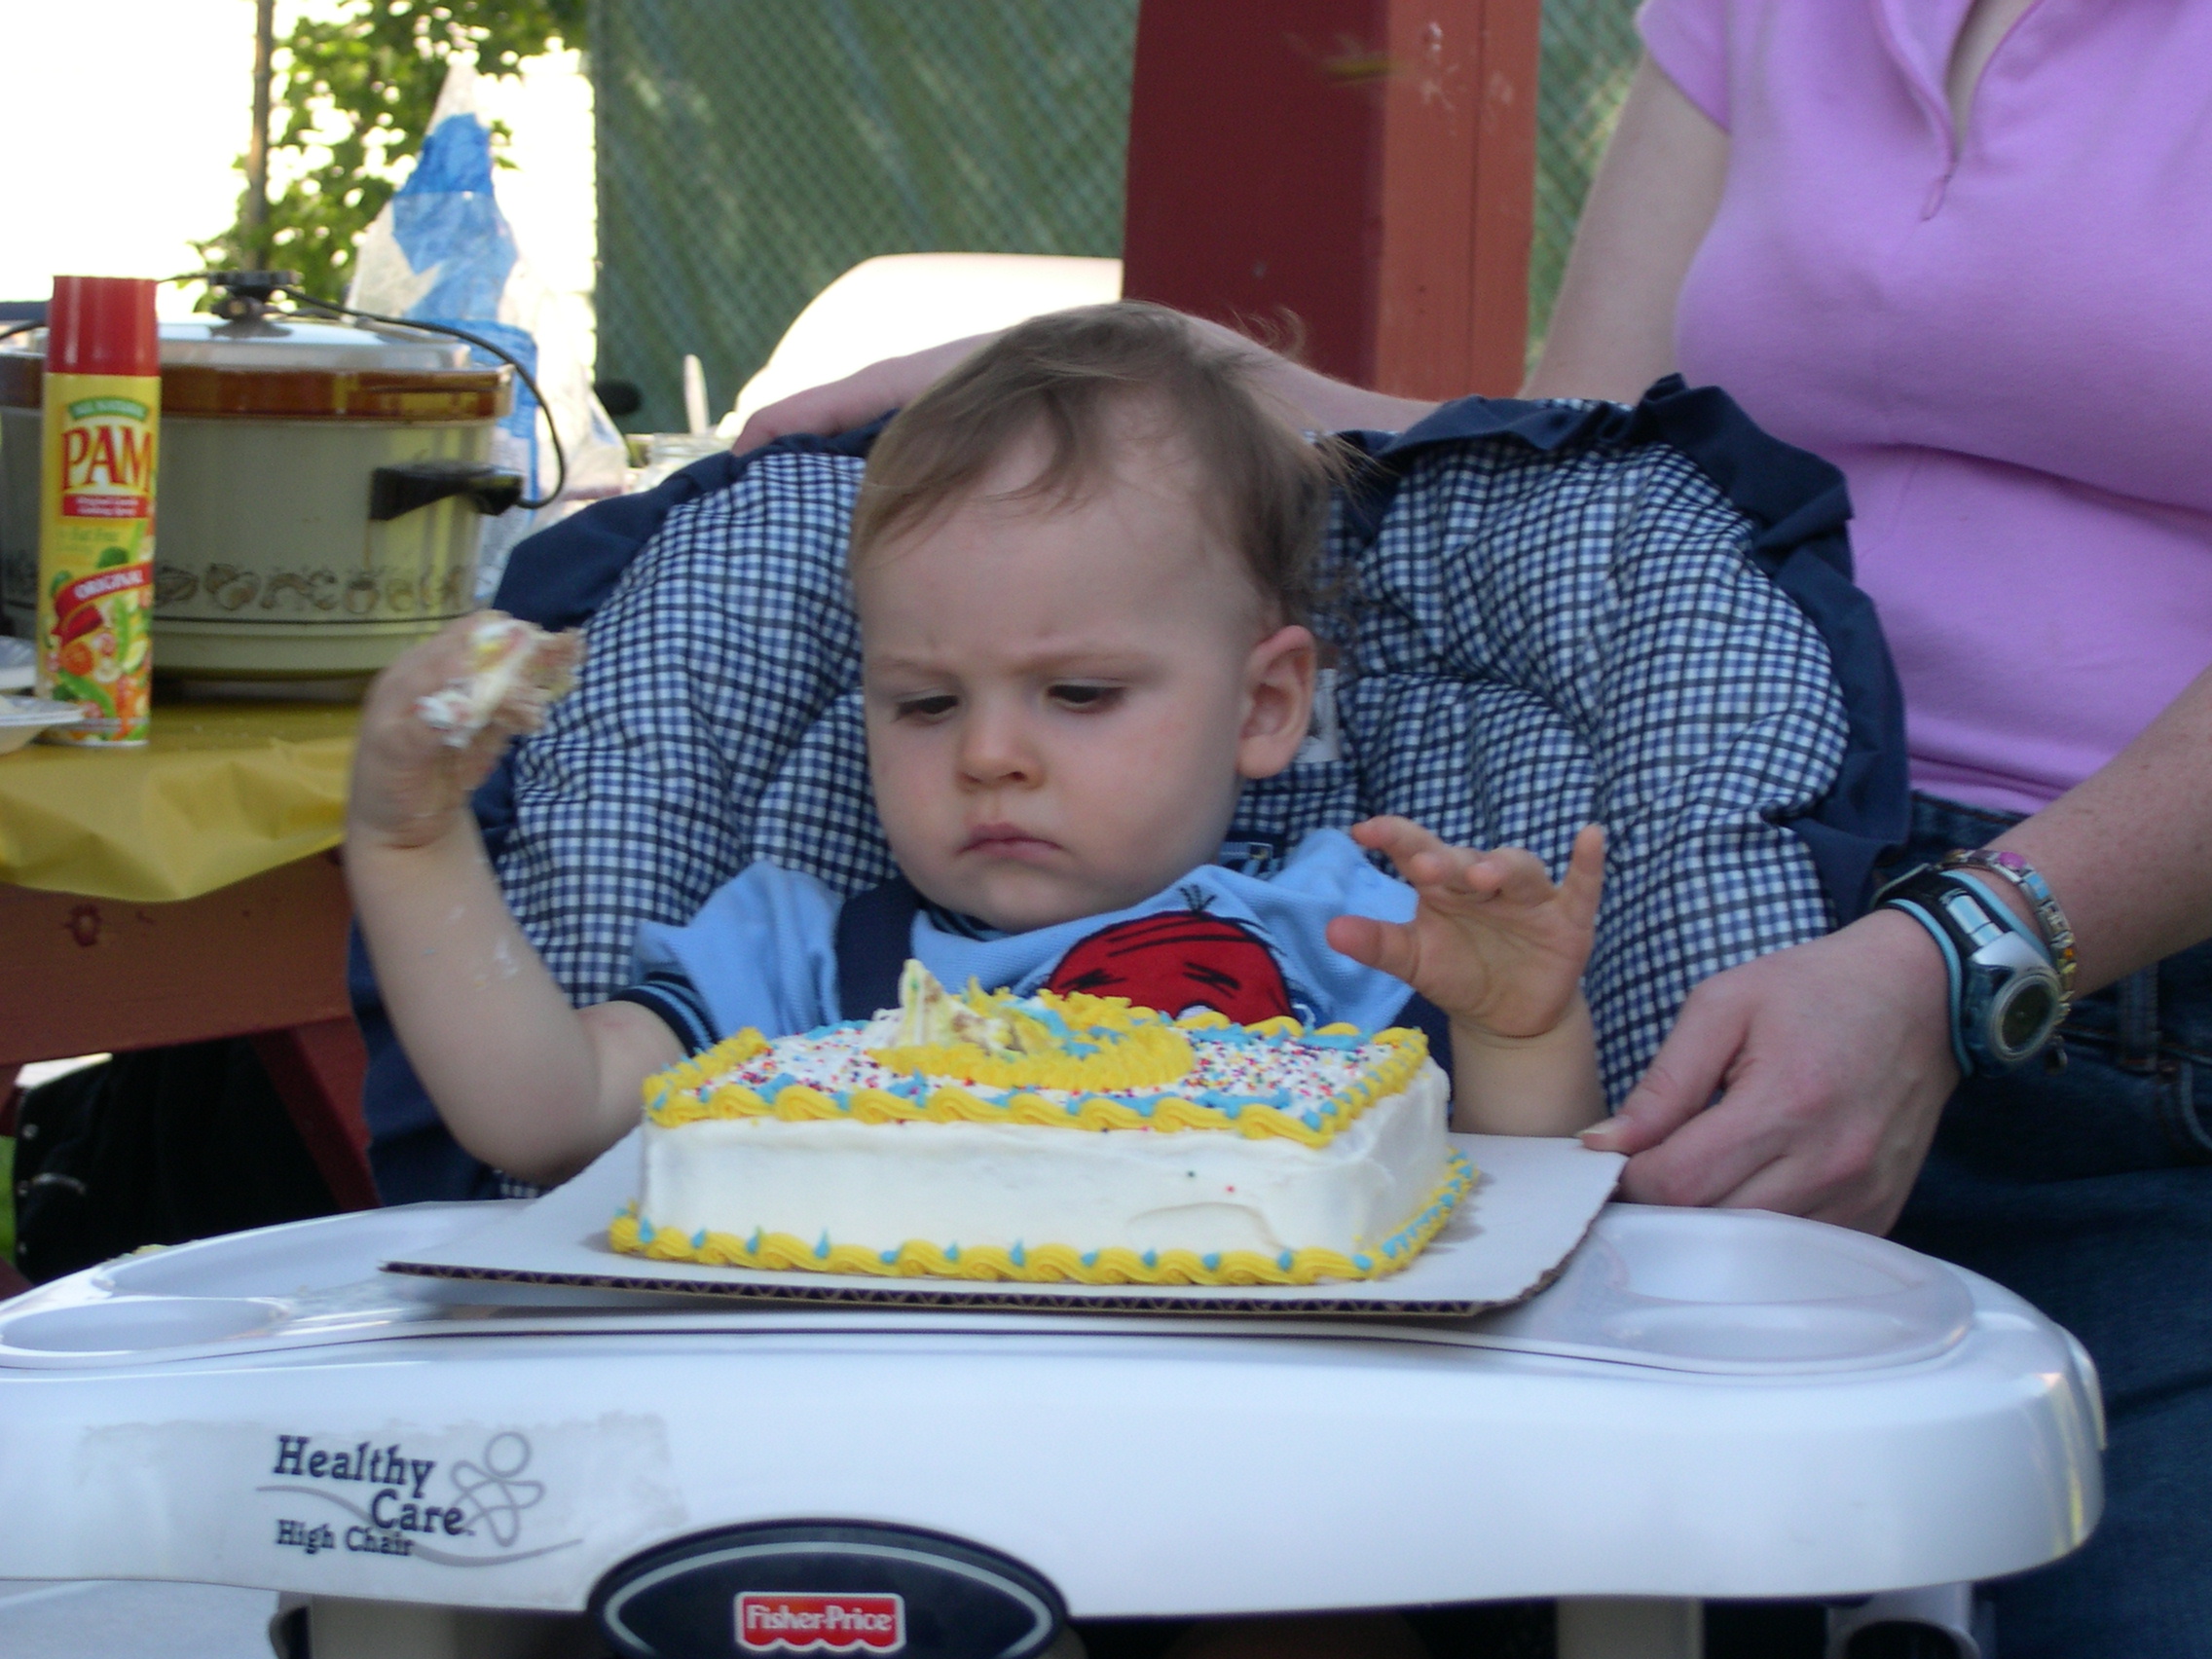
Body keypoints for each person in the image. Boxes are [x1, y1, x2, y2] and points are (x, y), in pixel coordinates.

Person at [735, 10, 2212, 1649]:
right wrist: (1178, 380)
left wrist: (1950, 953)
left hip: (2120, 1028)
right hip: (1702, 921)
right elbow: (1576, 473)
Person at [347, 303, 1606, 1188]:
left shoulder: (1348, 932)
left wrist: (1517, 1037)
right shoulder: (792, 967)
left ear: (1264, 707)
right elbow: (544, 1118)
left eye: (1079, 694)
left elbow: (1508, 1215)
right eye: (926, 704)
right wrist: (410, 849)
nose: (989, 754)